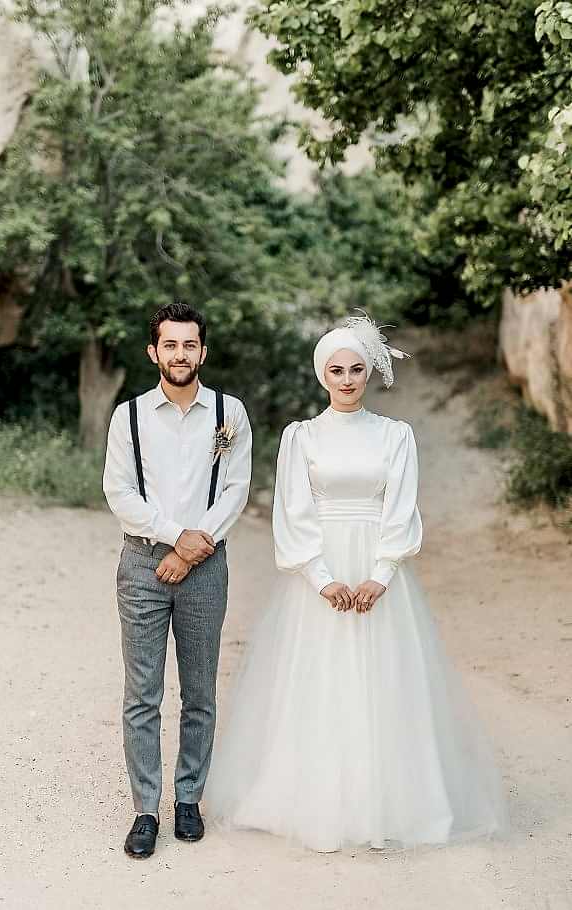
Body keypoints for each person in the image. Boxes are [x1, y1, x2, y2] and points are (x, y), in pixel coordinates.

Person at [204, 314, 508, 853]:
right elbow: (291, 512)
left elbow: (402, 507)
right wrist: (321, 579)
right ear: (322, 374)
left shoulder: (395, 435)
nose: (346, 379)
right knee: (320, 681)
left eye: (356, 369)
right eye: (336, 369)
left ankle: (392, 802)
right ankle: (315, 799)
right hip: (320, 571)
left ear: (369, 373)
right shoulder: (301, 437)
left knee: (385, 683)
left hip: (375, 570)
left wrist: (380, 575)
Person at [103, 302, 252, 858]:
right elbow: (119, 493)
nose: (180, 354)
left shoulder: (229, 413)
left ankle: (188, 798)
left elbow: (237, 488)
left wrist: (193, 549)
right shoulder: (130, 417)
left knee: (199, 691)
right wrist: (174, 538)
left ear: (203, 352)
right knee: (141, 694)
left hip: (207, 564)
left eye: (190, 345)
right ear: (154, 352)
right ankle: (146, 808)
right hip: (143, 564)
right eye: (170, 344)